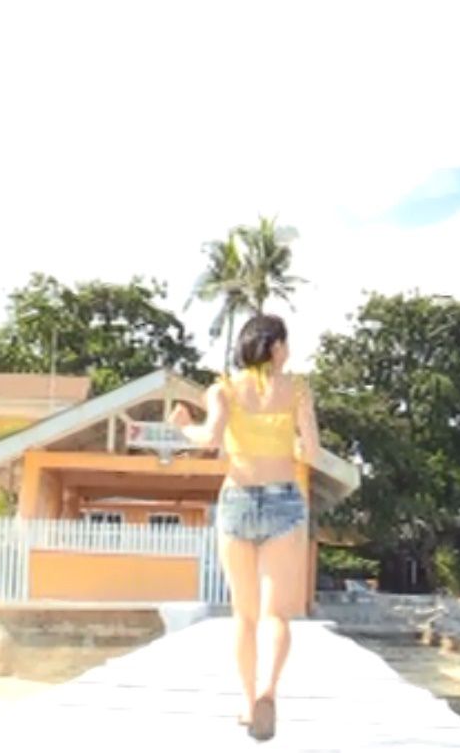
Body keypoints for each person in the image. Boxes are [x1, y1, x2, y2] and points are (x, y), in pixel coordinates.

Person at [169, 314, 322, 742]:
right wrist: (286, 444)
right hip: (283, 499)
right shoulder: (298, 390)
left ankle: (247, 699)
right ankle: (269, 691)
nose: (288, 350)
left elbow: (210, 438)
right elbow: (311, 452)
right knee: (277, 614)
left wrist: (183, 426)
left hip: (237, 498)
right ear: (274, 346)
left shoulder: (224, 388)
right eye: (285, 343)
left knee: (245, 614)